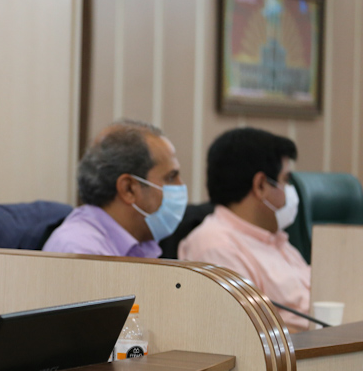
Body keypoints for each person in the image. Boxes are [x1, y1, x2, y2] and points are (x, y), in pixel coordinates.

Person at [178, 127, 310, 332]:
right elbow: (248, 332)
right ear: (261, 186)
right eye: (285, 180)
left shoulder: (276, 239)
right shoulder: (216, 247)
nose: (290, 192)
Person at [43, 120, 187, 257]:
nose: (181, 185)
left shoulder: (141, 245)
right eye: (170, 178)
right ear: (128, 189)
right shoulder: (81, 251)